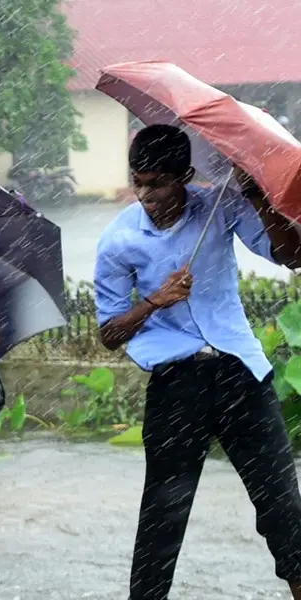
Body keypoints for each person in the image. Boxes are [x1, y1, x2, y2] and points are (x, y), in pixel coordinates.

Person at [94, 124, 301, 600]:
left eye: (158, 183)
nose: (145, 194)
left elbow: (291, 254)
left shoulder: (221, 205)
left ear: (185, 175)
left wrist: (256, 195)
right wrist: (153, 301)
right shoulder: (118, 240)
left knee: (282, 507)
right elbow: (108, 334)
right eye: (138, 181)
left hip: (240, 373)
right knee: (164, 515)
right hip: (176, 382)